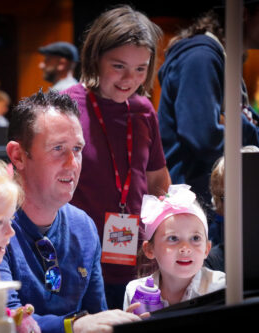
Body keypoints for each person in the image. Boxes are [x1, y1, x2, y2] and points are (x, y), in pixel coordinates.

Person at [0, 89, 142, 333]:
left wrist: (118, 324)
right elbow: (6, 320)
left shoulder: (83, 226)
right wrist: (74, 325)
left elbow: (96, 314)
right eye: (58, 149)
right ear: (18, 155)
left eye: (77, 149)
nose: (73, 164)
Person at [62, 5, 171, 309]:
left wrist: (161, 241)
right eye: (119, 66)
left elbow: (157, 181)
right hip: (81, 262)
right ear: (96, 57)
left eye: (140, 69)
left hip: (137, 263)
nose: (129, 79)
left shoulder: (143, 110)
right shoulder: (66, 107)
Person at [157, 0, 259, 209]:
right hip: (199, 205)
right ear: (241, 12)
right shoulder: (200, 57)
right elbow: (203, 138)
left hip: (220, 195)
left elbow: (254, 135)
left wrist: (235, 121)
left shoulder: (221, 58)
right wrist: (244, 124)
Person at [123, 185, 225, 310]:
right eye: (173, 238)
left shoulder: (221, 288)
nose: (185, 248)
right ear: (149, 249)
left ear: (207, 249)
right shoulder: (134, 291)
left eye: (195, 238)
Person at [205, 145, 259, 272]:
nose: (247, 206)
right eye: (234, 198)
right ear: (222, 205)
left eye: (256, 194)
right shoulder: (212, 265)